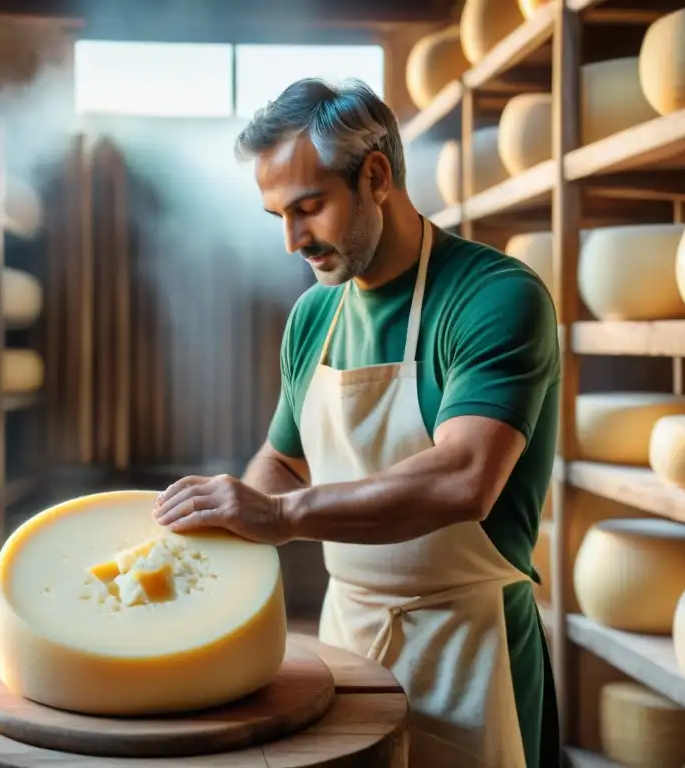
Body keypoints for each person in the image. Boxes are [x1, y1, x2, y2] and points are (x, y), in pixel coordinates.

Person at [153, 77, 561, 768]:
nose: (292, 241)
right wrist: (225, 540)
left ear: (376, 176)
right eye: (277, 215)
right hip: (346, 638)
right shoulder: (315, 315)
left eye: (308, 208)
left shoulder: (495, 297)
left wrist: (279, 516)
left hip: (470, 648)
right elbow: (282, 463)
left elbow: (464, 477)